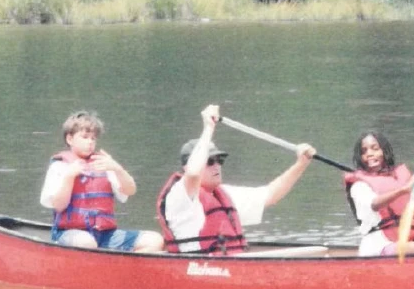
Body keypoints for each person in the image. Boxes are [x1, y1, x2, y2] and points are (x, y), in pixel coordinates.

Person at [156, 104, 316, 255]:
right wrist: (208, 128)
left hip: (229, 268)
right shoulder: (180, 195)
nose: (217, 166)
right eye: (210, 161)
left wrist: (301, 164)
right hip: (201, 270)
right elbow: (193, 173)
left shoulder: (224, 195)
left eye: (220, 160)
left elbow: (271, 194)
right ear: (185, 167)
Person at [39, 110, 164, 252]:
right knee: (87, 243)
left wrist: (118, 169)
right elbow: (59, 206)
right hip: (69, 233)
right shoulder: (60, 167)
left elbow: (130, 190)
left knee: (155, 240)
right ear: (70, 139)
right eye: (85, 137)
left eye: (93, 138)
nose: (90, 142)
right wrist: (69, 177)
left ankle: (123, 272)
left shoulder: (103, 163)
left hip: (105, 234)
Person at [343, 131, 414, 256]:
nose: (369, 154)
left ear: (385, 152)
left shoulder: (400, 178)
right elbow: (374, 204)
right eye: (364, 151)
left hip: (409, 241)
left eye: (375, 149)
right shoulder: (359, 185)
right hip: (379, 245)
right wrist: (404, 190)